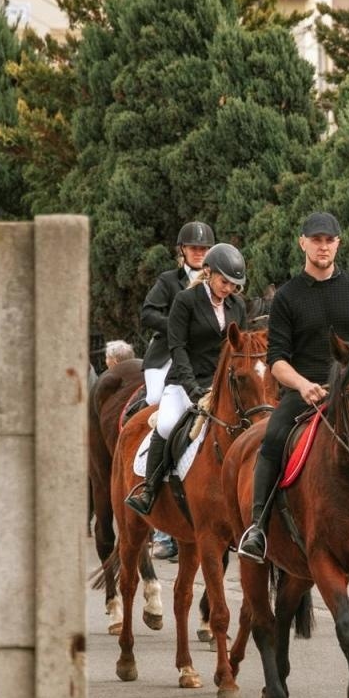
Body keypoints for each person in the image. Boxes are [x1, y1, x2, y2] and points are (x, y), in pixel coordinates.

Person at [237, 212, 349, 562]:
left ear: (338, 244)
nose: (323, 246)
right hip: (305, 392)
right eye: (316, 240)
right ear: (302, 242)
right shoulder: (287, 296)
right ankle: (257, 526)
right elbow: (277, 360)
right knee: (272, 440)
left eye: (329, 240)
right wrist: (303, 385)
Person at [125, 243, 248, 516]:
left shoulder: (237, 305)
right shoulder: (186, 300)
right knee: (168, 425)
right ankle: (149, 489)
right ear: (208, 271)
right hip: (184, 380)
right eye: (224, 281)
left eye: (233, 284)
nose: (228, 288)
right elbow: (177, 347)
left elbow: (239, 348)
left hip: (220, 384)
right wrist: (192, 387)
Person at [140, 220, 215, 407]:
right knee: (156, 398)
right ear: (183, 250)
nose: (199, 253)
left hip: (205, 359)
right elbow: (148, 313)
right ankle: (137, 429)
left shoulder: (219, 283)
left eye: (204, 249)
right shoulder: (169, 280)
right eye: (194, 248)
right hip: (166, 356)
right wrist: (178, 328)